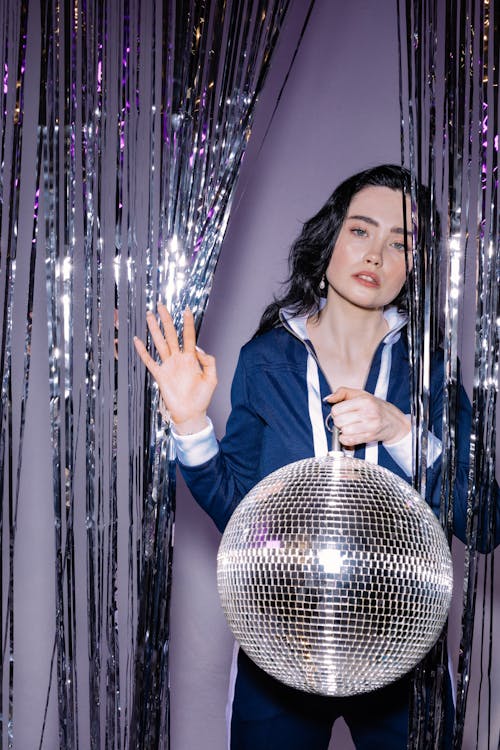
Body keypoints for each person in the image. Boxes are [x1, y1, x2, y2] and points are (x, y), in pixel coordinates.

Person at [134, 164, 497, 749]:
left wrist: (401, 431)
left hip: (405, 658)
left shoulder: (430, 370)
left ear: (415, 266)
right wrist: (190, 422)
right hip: (278, 653)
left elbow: (486, 522)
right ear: (329, 238)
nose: (377, 254)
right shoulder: (265, 359)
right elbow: (241, 517)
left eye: (401, 242)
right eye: (361, 230)